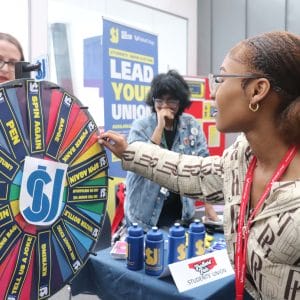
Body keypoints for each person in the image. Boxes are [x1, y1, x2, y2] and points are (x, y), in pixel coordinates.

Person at [99, 31, 300, 299]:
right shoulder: (243, 158)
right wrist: (129, 151)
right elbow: (190, 171)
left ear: (257, 90)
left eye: (221, 78)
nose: (214, 92)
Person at [124, 70, 209, 231]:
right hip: (145, 214)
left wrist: (209, 207)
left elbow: (204, 166)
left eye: (171, 101)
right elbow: (142, 161)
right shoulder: (141, 126)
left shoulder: (191, 125)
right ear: (153, 101)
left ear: (180, 102)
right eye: (160, 100)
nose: (164, 105)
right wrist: (160, 126)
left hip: (182, 213)